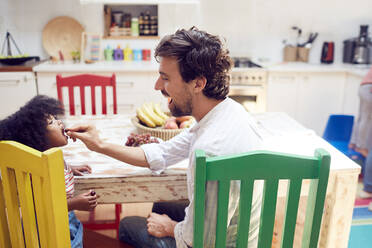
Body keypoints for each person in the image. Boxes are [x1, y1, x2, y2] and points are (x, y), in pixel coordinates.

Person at [66, 27, 263, 248]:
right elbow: (161, 152)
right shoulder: (227, 113)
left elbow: (203, 241)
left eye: (165, 78)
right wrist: (99, 144)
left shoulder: (211, 151)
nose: (157, 86)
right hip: (240, 231)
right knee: (163, 207)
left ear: (198, 83)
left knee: (129, 225)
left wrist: (169, 227)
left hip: (216, 243)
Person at [0, 95, 97, 248]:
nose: (60, 122)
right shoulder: (34, 172)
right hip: (46, 229)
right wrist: (75, 203)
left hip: (63, 218)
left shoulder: (50, 157)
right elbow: (43, 207)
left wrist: (69, 168)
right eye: (51, 122)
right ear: (38, 139)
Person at [349, 67, 372, 199]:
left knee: (363, 118)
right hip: (370, 88)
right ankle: (362, 146)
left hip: (365, 86)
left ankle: (356, 144)